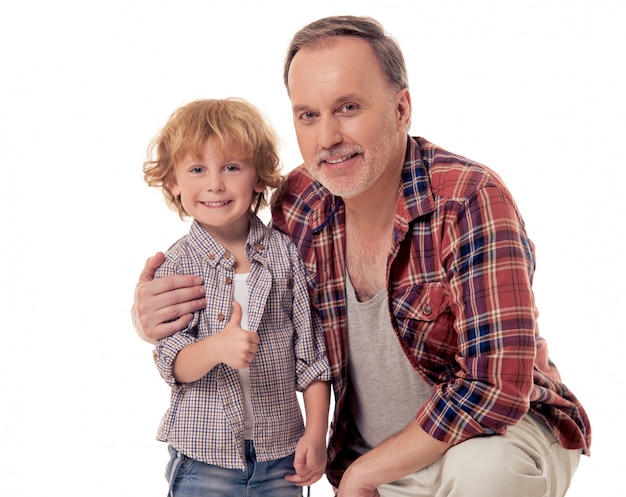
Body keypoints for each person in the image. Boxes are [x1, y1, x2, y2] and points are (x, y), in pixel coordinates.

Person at [133, 16, 591, 497]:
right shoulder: (301, 203)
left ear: (401, 107)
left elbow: (495, 387)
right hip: (373, 458)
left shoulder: (469, 200)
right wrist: (151, 314)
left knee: (483, 471)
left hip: (496, 436)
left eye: (348, 107)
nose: (327, 137)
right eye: (308, 115)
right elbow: (237, 274)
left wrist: (363, 474)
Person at [141, 97, 331, 497]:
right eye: (197, 170)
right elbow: (173, 362)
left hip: (280, 454)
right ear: (174, 184)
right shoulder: (176, 266)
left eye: (231, 167)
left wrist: (316, 432)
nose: (214, 184)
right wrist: (217, 348)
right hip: (204, 456)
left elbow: (311, 357)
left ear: (258, 177)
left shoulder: (285, 255)